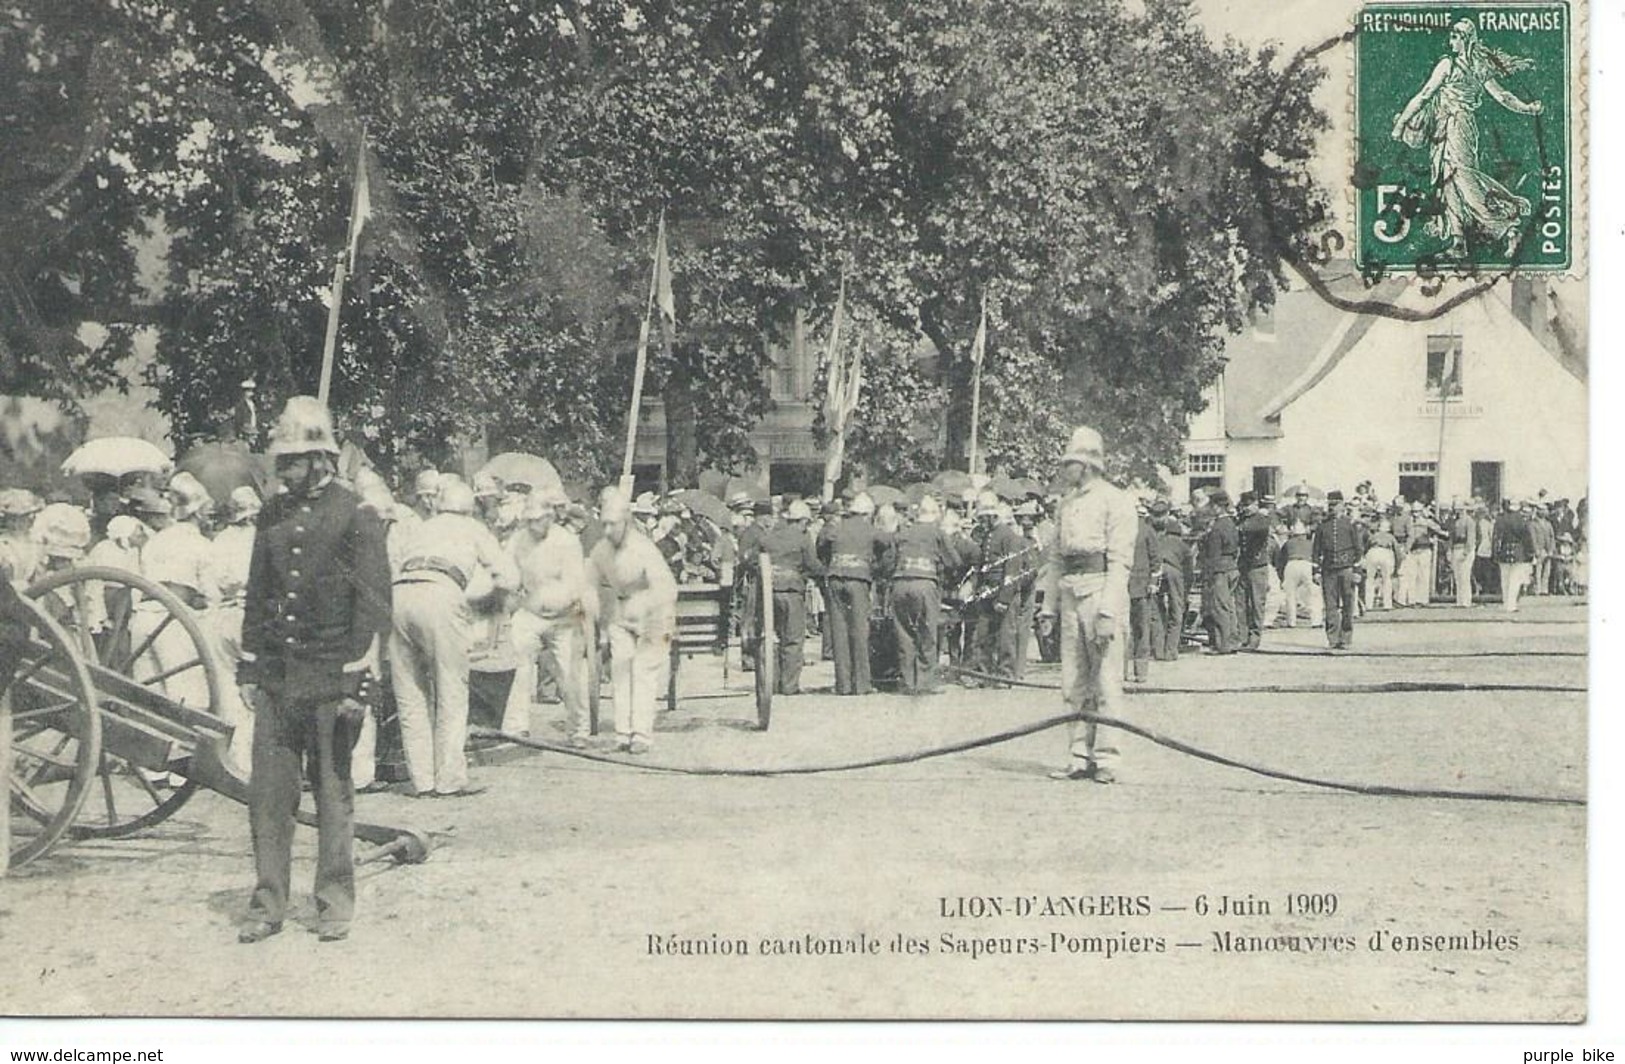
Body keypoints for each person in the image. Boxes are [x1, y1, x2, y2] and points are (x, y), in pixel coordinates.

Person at [236, 397, 392, 944]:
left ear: (321, 458)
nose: (284, 470)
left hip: (332, 677)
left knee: (333, 794)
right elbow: (259, 593)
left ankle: (333, 902)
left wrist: (357, 681)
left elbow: (374, 605)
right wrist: (250, 667)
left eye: (294, 461)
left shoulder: (356, 514)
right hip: (279, 678)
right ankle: (267, 903)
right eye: (283, 461)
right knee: (270, 799)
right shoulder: (271, 515)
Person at [389, 475, 517, 797]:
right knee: (451, 689)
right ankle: (450, 780)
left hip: (400, 595)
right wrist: (489, 600)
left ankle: (421, 781)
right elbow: (509, 576)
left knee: (410, 695)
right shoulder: (473, 528)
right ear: (469, 506)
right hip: (440, 592)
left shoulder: (422, 527)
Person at [1391, 18, 1544, 257]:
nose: (1451, 40)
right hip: (1446, 127)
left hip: (1458, 126)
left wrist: (1400, 125)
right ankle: (1458, 242)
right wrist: (1527, 108)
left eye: (1456, 36)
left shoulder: (1451, 65)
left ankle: (1507, 229)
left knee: (1464, 178)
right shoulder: (1473, 65)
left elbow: (1424, 96)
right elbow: (1502, 95)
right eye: (1451, 35)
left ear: (1466, 40)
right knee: (1447, 181)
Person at [1039, 426, 1137, 784]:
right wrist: (1048, 607)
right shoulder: (1064, 504)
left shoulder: (1116, 500)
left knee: (1107, 680)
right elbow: (1055, 558)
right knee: (1073, 681)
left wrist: (1109, 612)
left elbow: (1120, 561)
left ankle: (1108, 757)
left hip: (1100, 591)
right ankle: (1078, 754)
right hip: (1069, 594)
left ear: (1089, 465)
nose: (1066, 470)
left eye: (1072, 463)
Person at [588, 487, 678, 754]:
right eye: (603, 524)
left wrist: (645, 607)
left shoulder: (643, 548)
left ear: (626, 522)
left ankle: (641, 734)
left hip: (655, 614)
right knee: (620, 669)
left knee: (643, 670)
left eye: (612, 524)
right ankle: (623, 733)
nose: (607, 530)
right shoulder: (601, 549)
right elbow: (588, 579)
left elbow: (667, 589)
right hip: (621, 612)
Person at [510, 489, 594, 746]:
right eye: (530, 520)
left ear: (550, 517)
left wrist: (558, 605)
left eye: (539, 520)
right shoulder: (518, 540)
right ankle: (516, 726)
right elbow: (509, 572)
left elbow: (574, 583)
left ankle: (579, 729)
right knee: (517, 662)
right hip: (531, 611)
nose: (535, 525)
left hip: (564, 615)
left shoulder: (566, 541)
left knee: (571, 672)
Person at [817, 491, 892, 695]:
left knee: (839, 632)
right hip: (858, 580)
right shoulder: (870, 529)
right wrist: (875, 568)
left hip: (834, 578)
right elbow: (887, 544)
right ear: (867, 513)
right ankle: (861, 684)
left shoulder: (835, 527)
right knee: (859, 631)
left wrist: (831, 563)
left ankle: (843, 685)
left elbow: (821, 546)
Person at [887, 494, 961, 694]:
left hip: (900, 584)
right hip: (925, 584)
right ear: (936, 515)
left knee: (904, 634)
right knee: (927, 634)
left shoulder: (903, 533)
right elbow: (954, 562)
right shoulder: (937, 534)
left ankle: (907, 682)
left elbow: (889, 561)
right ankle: (925, 683)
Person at [755, 499, 822, 695]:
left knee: (771, 637)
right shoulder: (803, 538)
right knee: (793, 639)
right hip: (792, 591)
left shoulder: (769, 538)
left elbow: (755, 558)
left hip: (769, 592)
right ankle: (789, 685)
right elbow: (812, 564)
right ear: (801, 521)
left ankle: (771, 683)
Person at [1312, 490, 1367, 650]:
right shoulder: (1322, 526)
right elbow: (1316, 551)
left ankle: (1346, 638)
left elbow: (1358, 549)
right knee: (1330, 606)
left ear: (1342, 505)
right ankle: (1333, 639)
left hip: (1347, 569)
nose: (1332, 508)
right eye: (1330, 504)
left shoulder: (1350, 525)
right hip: (1328, 570)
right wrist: (1315, 571)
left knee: (1348, 604)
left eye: (1335, 504)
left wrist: (1357, 571)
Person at [1198, 490, 1241, 654]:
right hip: (1232, 567)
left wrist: (1207, 574)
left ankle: (1222, 644)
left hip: (1220, 569)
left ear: (1217, 507)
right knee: (1229, 607)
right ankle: (1232, 640)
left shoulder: (1217, 527)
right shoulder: (1231, 523)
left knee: (1219, 607)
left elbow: (1213, 554)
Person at [1235, 491, 1273, 651]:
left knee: (1257, 604)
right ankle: (1242, 636)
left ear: (1256, 504)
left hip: (1257, 566)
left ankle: (1255, 637)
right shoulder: (1241, 520)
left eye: (1248, 505)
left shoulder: (1262, 520)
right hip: (1243, 566)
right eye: (1243, 505)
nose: (1245, 509)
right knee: (1241, 603)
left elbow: (1255, 533)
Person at [1124, 500, 1157, 682]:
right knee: (1141, 630)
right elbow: (1156, 561)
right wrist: (1153, 582)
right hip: (1142, 587)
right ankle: (1141, 671)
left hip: (1122, 586)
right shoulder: (1148, 531)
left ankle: (1121, 671)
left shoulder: (1117, 531)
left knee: (1121, 631)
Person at [1151, 502, 1188, 659]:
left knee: (1156, 609)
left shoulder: (1153, 536)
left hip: (1156, 570)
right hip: (1174, 570)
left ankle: (1159, 649)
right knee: (1176, 609)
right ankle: (1171, 650)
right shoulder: (1180, 543)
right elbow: (1188, 568)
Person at [1492, 498, 1536, 612]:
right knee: (1514, 580)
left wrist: (1495, 553)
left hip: (1503, 551)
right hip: (1518, 552)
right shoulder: (1521, 520)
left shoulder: (1500, 519)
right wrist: (1530, 552)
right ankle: (1511, 605)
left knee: (1504, 579)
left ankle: (1506, 603)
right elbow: (1527, 538)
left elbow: (1496, 537)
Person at [1278, 518, 1319, 628]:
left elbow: (1281, 559)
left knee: (1290, 594)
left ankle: (1291, 621)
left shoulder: (1288, 543)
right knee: (1313, 592)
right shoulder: (1310, 543)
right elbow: (1316, 556)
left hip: (1291, 564)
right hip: (1306, 564)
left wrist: (1281, 576)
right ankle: (1316, 621)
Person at [0, 488, 45, 585]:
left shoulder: (36, 543)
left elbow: (39, 577)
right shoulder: (3, 543)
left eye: (21, 519)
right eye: (12, 519)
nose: (16, 524)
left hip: (31, 592)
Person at [1448, 500, 1479, 607]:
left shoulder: (1469, 521)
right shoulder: (1454, 521)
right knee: (1457, 577)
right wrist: (1449, 550)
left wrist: (1465, 553)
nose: (1459, 512)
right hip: (1455, 549)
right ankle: (1459, 601)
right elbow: (1451, 538)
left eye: (1460, 510)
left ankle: (1466, 601)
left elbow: (1471, 539)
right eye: (1457, 510)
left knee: (1465, 576)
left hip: (1465, 549)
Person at [1363, 519, 1399, 611]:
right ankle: (1387, 604)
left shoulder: (1373, 536)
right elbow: (1397, 550)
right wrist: (1397, 565)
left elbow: (1366, 547)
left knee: (1370, 579)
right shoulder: (1390, 537)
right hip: (1386, 552)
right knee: (1387, 579)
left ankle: (1368, 604)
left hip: (1373, 552)